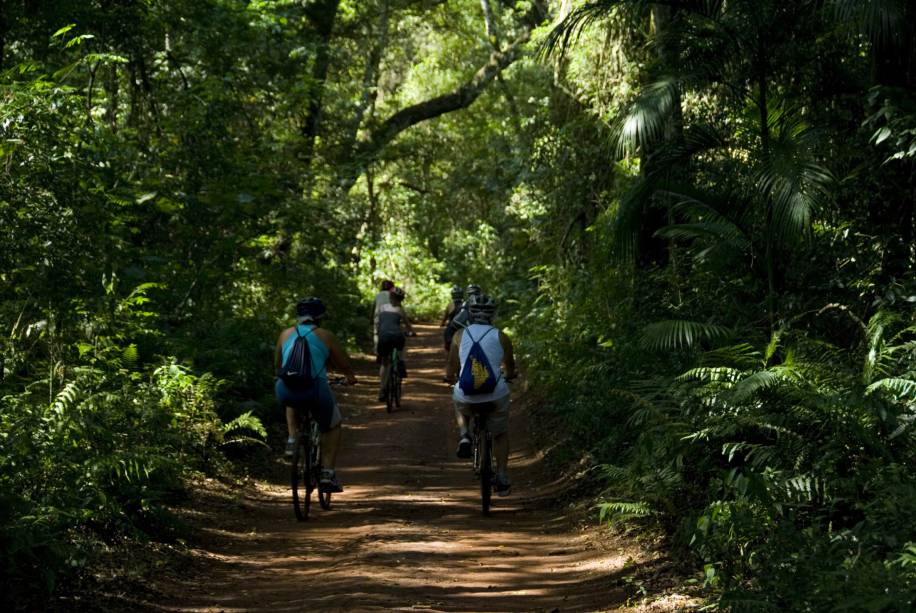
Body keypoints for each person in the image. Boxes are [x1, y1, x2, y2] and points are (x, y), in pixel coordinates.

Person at [275, 297, 357, 493]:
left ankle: (292, 439)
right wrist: (350, 377)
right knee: (333, 425)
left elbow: (278, 366)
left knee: (292, 399)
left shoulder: (285, 334)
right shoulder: (325, 335)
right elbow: (343, 364)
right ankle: (327, 473)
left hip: (285, 388)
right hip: (315, 389)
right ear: (320, 317)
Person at [445, 294, 517, 496]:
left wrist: (449, 377)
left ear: (471, 314)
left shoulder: (459, 335)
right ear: (493, 315)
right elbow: (510, 368)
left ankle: (464, 436)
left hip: (466, 395)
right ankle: (502, 474)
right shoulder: (502, 336)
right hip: (495, 395)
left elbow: (451, 367)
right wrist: (510, 375)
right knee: (500, 433)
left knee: (457, 397)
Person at [376, 286, 415, 401]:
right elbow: (408, 326)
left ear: (390, 297)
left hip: (383, 337)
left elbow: (378, 324)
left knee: (384, 363)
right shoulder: (400, 310)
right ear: (401, 300)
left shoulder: (382, 308)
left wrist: (378, 333)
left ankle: (382, 390)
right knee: (401, 346)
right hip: (397, 336)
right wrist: (412, 332)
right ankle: (401, 362)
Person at [371, 280, 395, 353]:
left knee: (376, 333)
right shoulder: (393, 295)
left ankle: (376, 349)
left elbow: (373, 307)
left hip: (378, 317)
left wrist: (371, 318)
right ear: (392, 287)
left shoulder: (378, 295)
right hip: (390, 318)